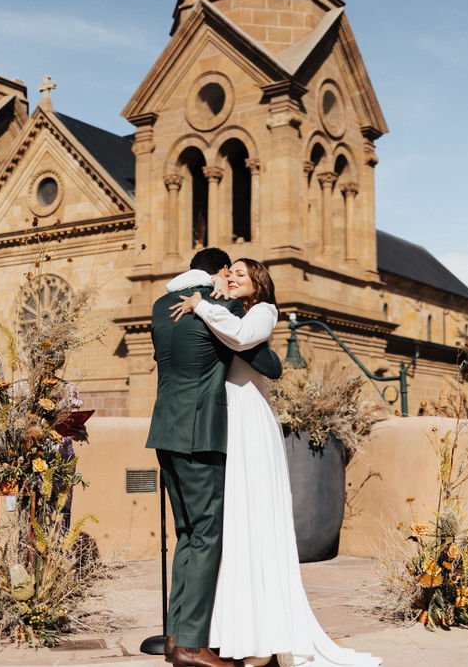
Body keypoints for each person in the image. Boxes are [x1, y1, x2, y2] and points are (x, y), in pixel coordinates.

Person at [171, 258, 381, 667]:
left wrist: (200, 303)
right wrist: (205, 292)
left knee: (256, 519)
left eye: (241, 275)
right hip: (223, 419)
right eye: (229, 272)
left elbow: (241, 338)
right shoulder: (222, 307)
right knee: (232, 524)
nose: (232, 277)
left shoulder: (262, 313)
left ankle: (264, 639)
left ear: (259, 284)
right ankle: (235, 633)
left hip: (249, 420)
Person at [147, 248, 283, 667]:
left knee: (187, 534)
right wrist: (217, 300)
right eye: (230, 272)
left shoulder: (159, 305)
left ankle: (175, 636)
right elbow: (266, 361)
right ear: (220, 273)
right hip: (199, 435)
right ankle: (191, 645)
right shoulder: (216, 306)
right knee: (206, 535)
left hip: (163, 430)